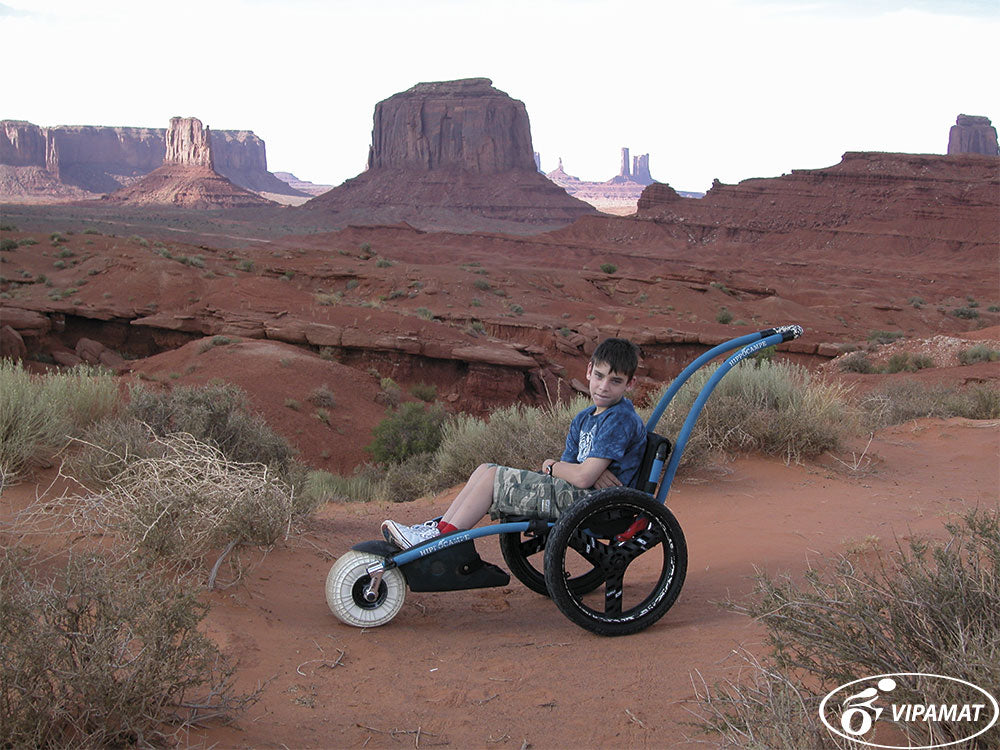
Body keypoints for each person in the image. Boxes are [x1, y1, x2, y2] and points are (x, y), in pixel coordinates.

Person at [381, 337, 647, 549]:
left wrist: (554, 466)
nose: (603, 386)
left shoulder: (620, 418)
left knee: (492, 478)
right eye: (599, 376)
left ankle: (440, 542)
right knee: (485, 469)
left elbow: (580, 476)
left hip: (599, 506)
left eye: (615, 381)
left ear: (630, 383)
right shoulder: (584, 418)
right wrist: (576, 471)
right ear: (589, 371)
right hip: (579, 495)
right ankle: (436, 532)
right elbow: (574, 471)